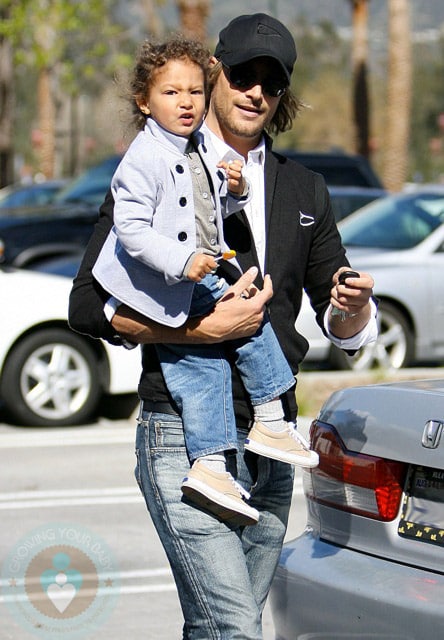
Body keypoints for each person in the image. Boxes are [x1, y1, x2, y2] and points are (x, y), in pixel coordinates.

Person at [69, 13, 378, 639]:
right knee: (235, 627)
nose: (255, 91)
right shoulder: (156, 167)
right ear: (215, 76)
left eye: (272, 81)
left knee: (218, 628)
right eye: (242, 74)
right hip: (182, 437)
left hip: (272, 444)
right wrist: (195, 334)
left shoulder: (304, 190)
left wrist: (353, 310)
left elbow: (336, 317)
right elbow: (86, 304)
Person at [92, 35, 318, 527]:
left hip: (193, 276)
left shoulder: (195, 148)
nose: (186, 103)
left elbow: (204, 206)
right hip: (164, 285)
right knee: (210, 359)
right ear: (144, 101)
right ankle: (260, 426)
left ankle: (235, 446)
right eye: (172, 94)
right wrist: (181, 261)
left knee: (237, 332)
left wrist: (233, 191)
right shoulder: (142, 157)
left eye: (194, 92)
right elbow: (130, 229)